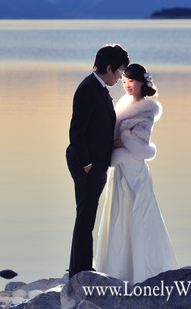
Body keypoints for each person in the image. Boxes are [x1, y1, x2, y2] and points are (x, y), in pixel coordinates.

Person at [94, 64, 179, 283]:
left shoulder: (148, 109)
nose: (127, 85)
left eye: (131, 81)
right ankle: (119, 270)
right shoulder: (124, 103)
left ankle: (144, 270)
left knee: (138, 212)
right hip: (120, 165)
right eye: (124, 81)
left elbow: (139, 139)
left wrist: (111, 142)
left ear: (142, 81)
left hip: (134, 166)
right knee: (119, 213)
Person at [66, 44, 130, 279]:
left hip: (97, 163)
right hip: (86, 163)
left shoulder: (100, 88)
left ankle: (79, 268)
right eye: (120, 71)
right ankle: (81, 271)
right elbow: (76, 131)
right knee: (86, 216)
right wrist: (87, 164)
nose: (121, 77)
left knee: (86, 215)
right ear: (109, 67)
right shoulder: (88, 89)